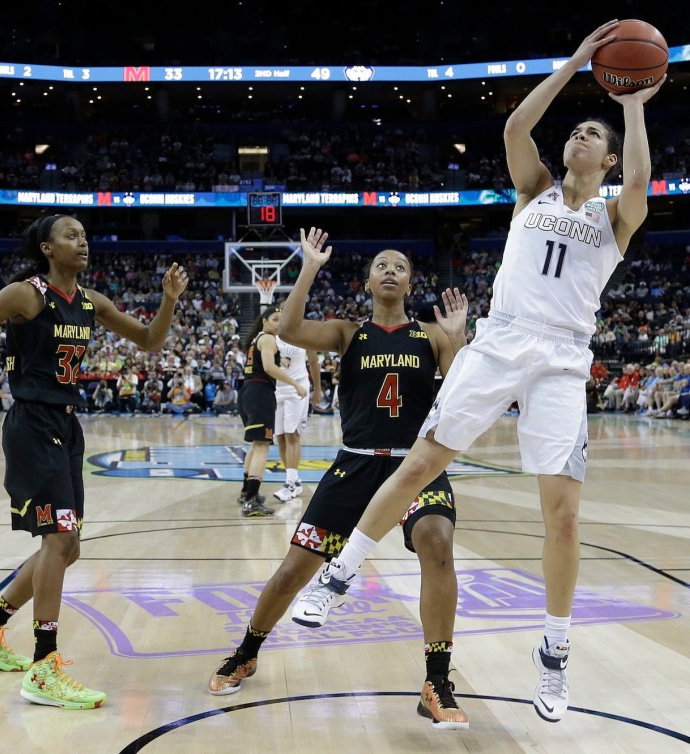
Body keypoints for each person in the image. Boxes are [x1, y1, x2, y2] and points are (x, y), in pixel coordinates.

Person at [290, 20, 666, 725]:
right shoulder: (535, 191)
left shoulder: (617, 215)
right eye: (576, 132)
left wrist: (633, 101)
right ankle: (339, 577)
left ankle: (553, 651)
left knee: (563, 515)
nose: (579, 137)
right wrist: (577, 63)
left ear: (609, 159)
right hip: (500, 342)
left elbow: (643, 178)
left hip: (559, 357)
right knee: (417, 467)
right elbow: (516, 127)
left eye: (592, 135)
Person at [208, 232, 471, 730]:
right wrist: (308, 266)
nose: (390, 270)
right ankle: (246, 650)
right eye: (381, 264)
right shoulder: (348, 332)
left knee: (438, 543)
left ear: (411, 282)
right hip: (354, 465)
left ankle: (436, 681)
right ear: (368, 280)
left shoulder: (432, 336)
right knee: (293, 572)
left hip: (414, 465)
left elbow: (457, 399)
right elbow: (288, 326)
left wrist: (456, 339)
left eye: (399, 265)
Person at [0, 213, 188, 710]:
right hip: (32, 423)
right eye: (71, 236)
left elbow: (149, 341)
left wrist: (167, 302)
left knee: (68, 546)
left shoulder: (91, 301)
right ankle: (44, 666)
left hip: (67, 425)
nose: (83, 242)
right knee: (59, 539)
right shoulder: (24, 294)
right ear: (47, 248)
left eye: (84, 235)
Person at [237, 306, 308, 517]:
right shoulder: (267, 338)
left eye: (281, 320)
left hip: (247, 391)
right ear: (265, 321)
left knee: (255, 446)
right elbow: (268, 367)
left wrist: (282, 361)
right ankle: (251, 501)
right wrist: (295, 384)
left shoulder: (257, 339)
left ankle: (245, 493)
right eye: (275, 319)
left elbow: (266, 362)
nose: (279, 323)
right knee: (261, 447)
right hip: (260, 393)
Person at [272, 336, 322, 502]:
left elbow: (314, 362)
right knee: (280, 438)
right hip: (277, 388)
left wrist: (318, 389)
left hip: (298, 387)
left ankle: (290, 483)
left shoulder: (303, 333)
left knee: (292, 435)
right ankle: (295, 481)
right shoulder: (272, 336)